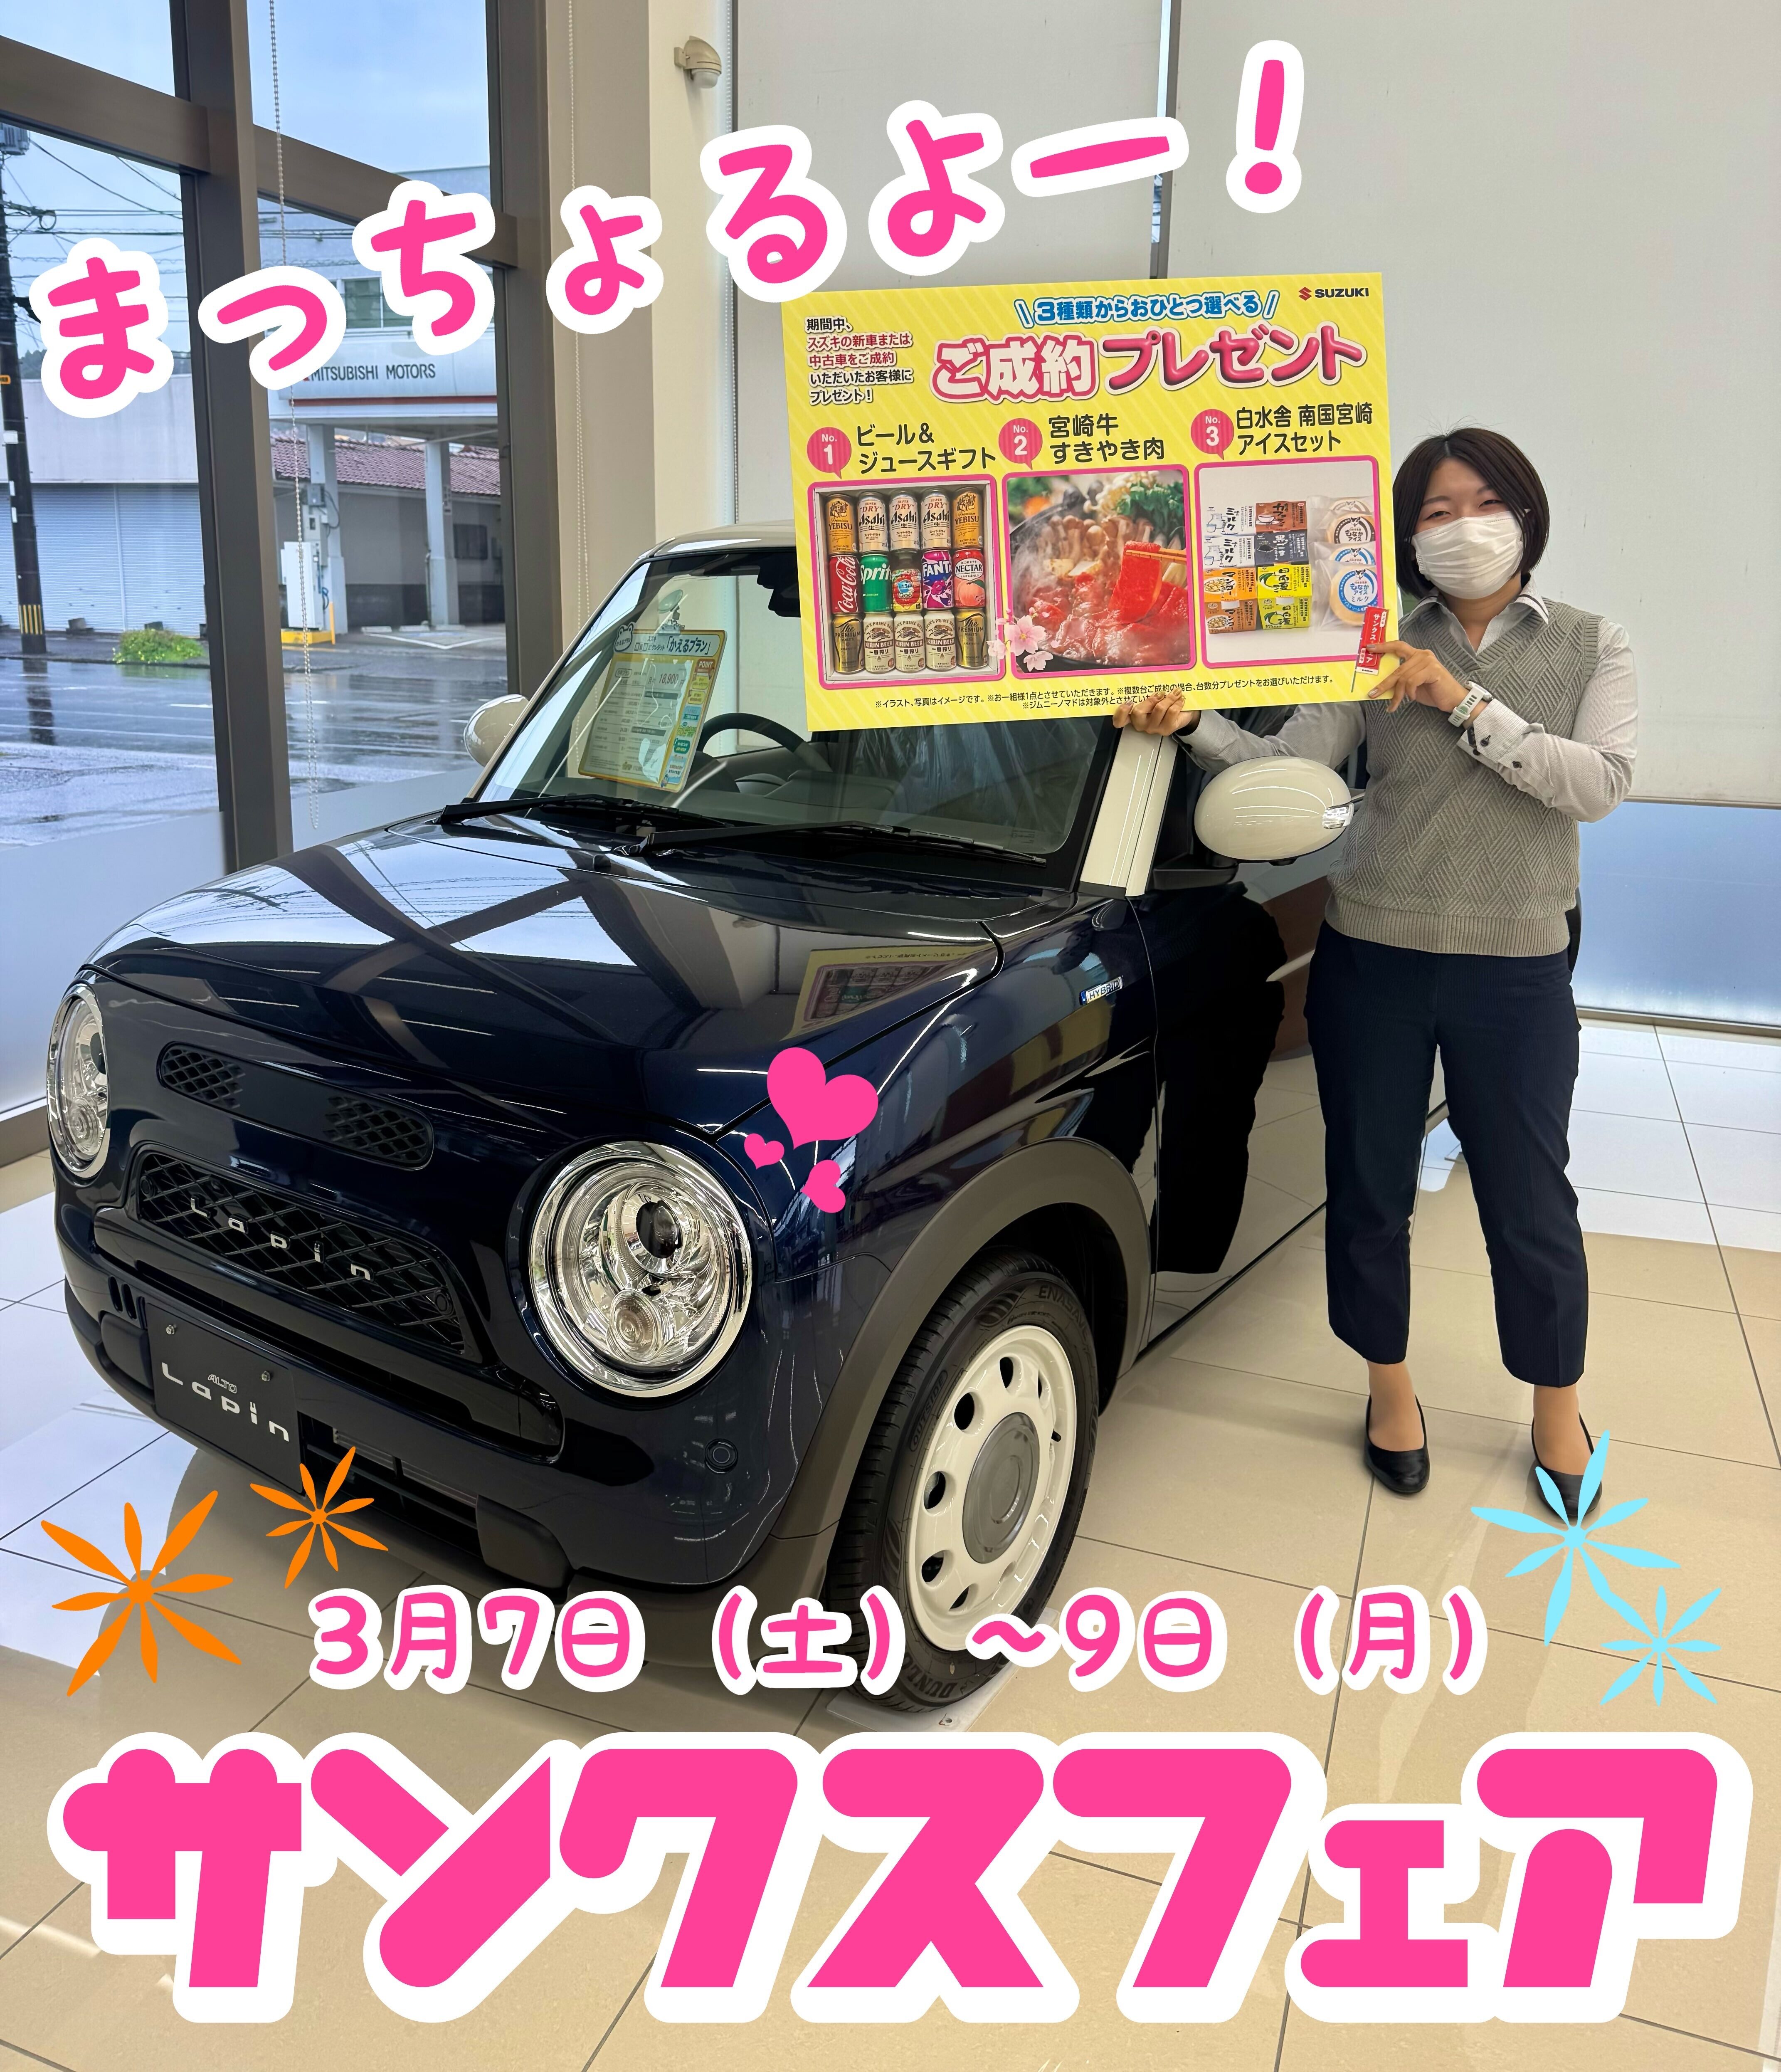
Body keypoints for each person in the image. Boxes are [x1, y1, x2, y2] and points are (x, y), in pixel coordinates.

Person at [1115, 428, 1636, 1520]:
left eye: (1483, 503)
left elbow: (1595, 786)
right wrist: (1193, 725)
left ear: (1527, 516)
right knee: (1366, 1191)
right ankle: (1388, 1390)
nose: (1463, 528)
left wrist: (1460, 701)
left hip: (1514, 970)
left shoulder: (1594, 643)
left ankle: (1556, 1407)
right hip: (1375, 959)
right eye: (1436, 512)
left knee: (1529, 1201)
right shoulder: (1374, 645)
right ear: (1406, 535)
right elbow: (1284, 769)